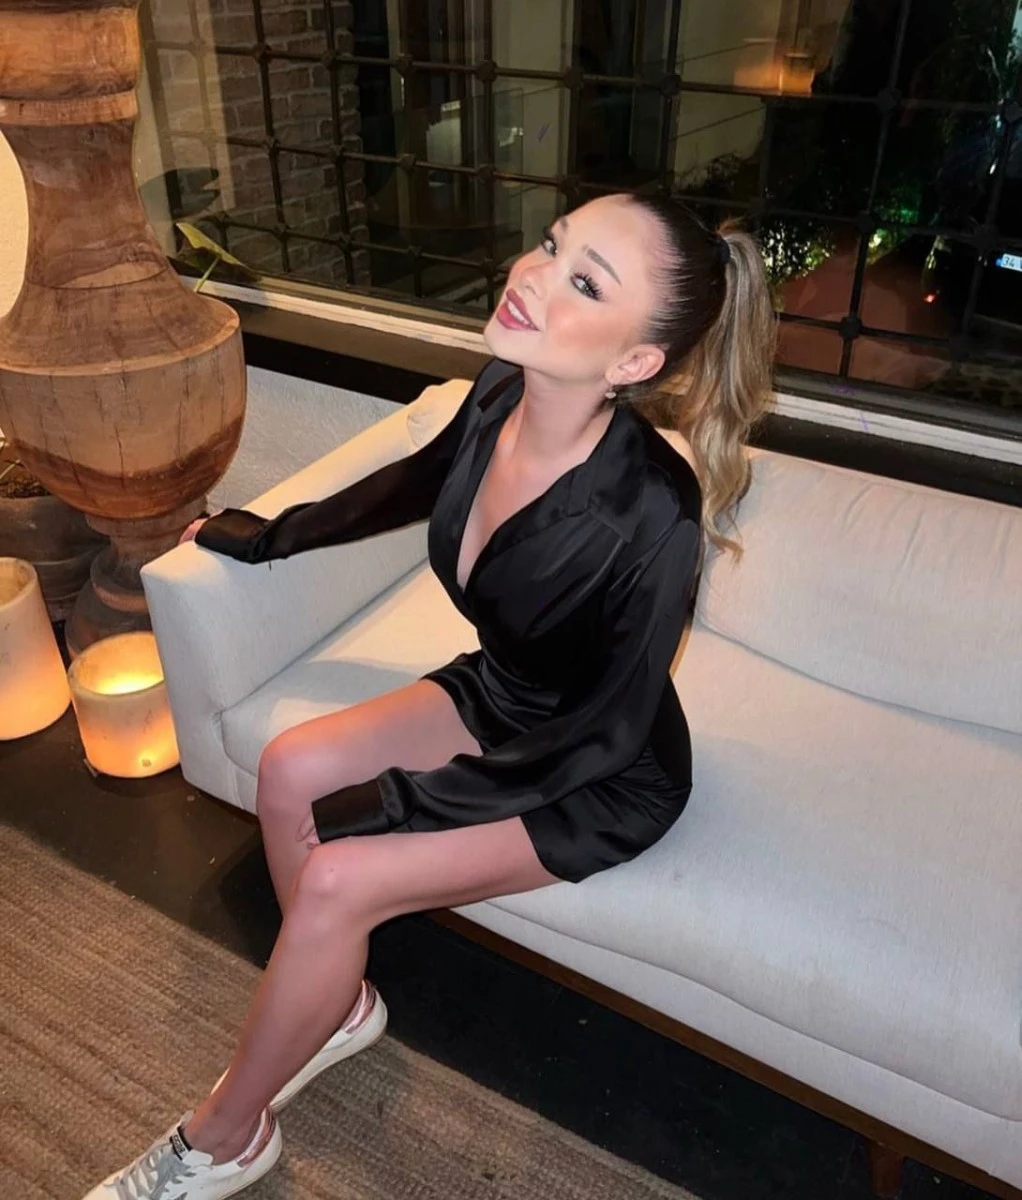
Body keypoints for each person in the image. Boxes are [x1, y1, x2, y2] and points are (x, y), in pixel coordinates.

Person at [82, 192, 776, 1199]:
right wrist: (261, 535)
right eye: (552, 246)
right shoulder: (497, 395)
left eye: (585, 282)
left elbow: (607, 728)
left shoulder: (651, 515)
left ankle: (225, 1133)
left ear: (633, 362)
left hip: (595, 778)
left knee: (337, 876)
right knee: (287, 768)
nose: (532, 275)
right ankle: (338, 1002)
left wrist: (409, 802)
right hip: (505, 692)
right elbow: (408, 484)